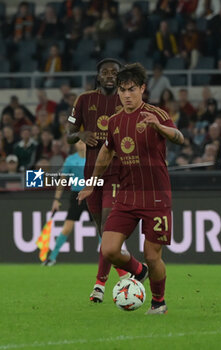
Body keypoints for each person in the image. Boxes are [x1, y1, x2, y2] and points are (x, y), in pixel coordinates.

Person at [78, 63, 184, 314]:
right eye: (122, 90)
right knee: (110, 248)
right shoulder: (114, 121)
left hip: (156, 196)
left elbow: (178, 136)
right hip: (126, 196)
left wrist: (159, 128)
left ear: (142, 89)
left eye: (131, 89)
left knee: (153, 254)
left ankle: (159, 302)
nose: (126, 94)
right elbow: (105, 153)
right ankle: (139, 271)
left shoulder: (156, 114)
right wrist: (91, 184)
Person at [67, 58, 130, 302]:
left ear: (120, 76)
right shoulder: (84, 100)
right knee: (103, 231)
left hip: (117, 173)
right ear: (98, 76)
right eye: (105, 72)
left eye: (114, 72)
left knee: (107, 227)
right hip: (91, 176)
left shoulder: (126, 100)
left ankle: (100, 285)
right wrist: (81, 133)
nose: (110, 75)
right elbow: (69, 134)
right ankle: (127, 271)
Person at [43, 140, 88, 266]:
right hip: (76, 196)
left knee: (102, 228)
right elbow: (62, 181)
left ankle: (106, 258)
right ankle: (52, 257)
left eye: (84, 141)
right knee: (67, 227)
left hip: (92, 194)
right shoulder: (71, 160)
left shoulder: (95, 158)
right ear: (75, 145)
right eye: (79, 142)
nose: (82, 144)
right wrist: (56, 200)